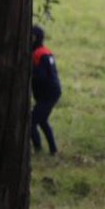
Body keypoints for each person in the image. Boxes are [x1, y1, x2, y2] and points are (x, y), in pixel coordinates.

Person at [30, 25, 61, 155]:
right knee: (42, 120)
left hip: (48, 93)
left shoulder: (38, 54)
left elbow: (42, 76)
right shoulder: (45, 51)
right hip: (51, 91)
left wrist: (29, 71)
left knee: (30, 122)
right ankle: (53, 149)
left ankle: (37, 149)